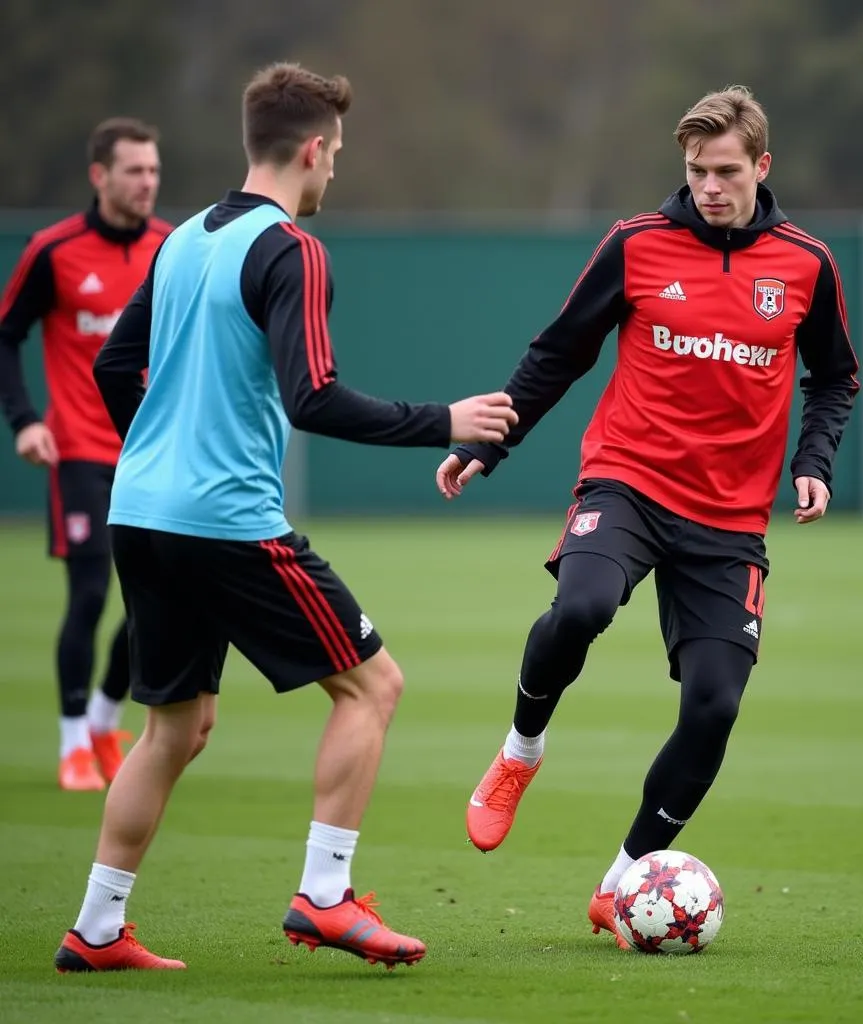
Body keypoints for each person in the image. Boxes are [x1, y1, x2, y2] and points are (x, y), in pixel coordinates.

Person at [53, 62, 517, 974]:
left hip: (139, 512)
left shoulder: (181, 238)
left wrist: (158, 457)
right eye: (335, 154)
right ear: (312, 150)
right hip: (224, 520)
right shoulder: (293, 250)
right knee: (372, 687)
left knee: (173, 729)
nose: (334, 171)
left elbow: (114, 368)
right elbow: (314, 399)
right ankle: (326, 896)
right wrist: (445, 423)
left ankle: (96, 929)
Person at [435, 85, 859, 948]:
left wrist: (813, 463)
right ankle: (521, 750)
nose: (709, 185)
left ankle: (624, 879)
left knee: (713, 706)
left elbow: (837, 376)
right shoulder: (636, 244)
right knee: (582, 608)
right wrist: (489, 445)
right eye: (697, 170)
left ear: (762, 167)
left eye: (726, 170)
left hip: (731, 520)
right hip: (628, 480)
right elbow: (557, 354)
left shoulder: (806, 264)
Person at [0, 118, 169, 791]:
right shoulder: (54, 250)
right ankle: (73, 742)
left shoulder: (172, 248)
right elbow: (5, 336)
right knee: (91, 588)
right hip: (78, 453)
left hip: (151, 453)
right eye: (134, 170)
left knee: (156, 596)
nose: (147, 182)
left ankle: (104, 720)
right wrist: (24, 420)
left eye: (154, 170)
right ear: (100, 176)